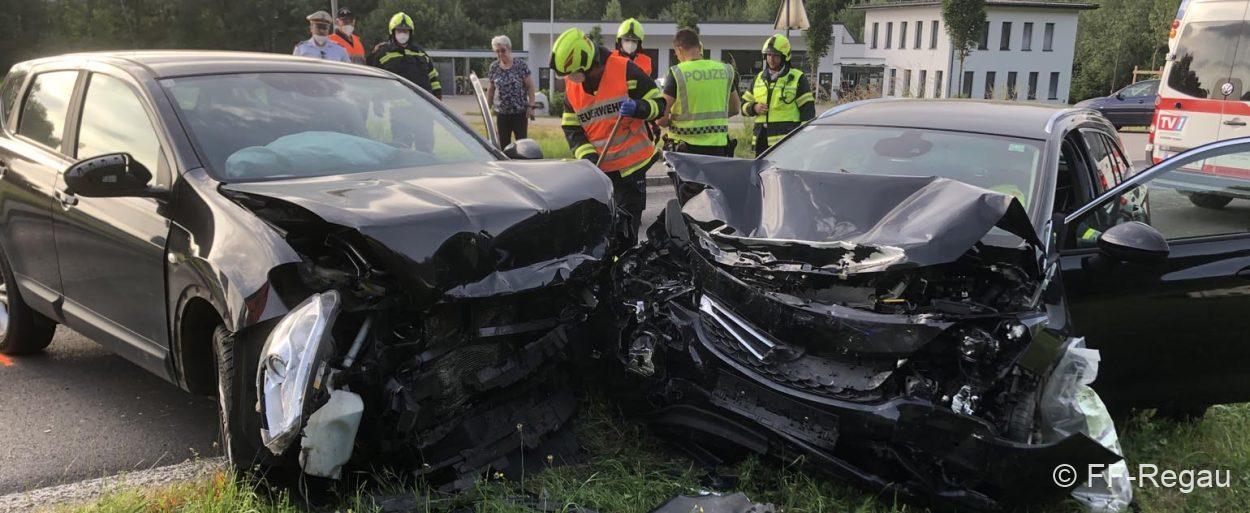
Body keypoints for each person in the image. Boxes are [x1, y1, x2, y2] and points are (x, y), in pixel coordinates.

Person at [552, 27, 666, 242]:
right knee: (601, 236)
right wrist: (588, 157)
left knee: (626, 236)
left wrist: (639, 107)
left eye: (575, 73)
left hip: (631, 172)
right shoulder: (572, 88)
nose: (572, 79)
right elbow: (571, 128)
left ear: (589, 63)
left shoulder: (625, 70)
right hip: (600, 174)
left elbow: (659, 105)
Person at [661, 28, 740, 157]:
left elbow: (661, 118)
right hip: (718, 148)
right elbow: (735, 109)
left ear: (679, 50)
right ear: (699, 47)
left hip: (684, 149)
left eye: (676, 53)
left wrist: (672, 121)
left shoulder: (678, 72)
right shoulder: (723, 70)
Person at [741, 34, 814, 156]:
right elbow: (743, 107)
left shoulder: (797, 78)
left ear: (785, 56)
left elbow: (808, 113)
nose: (771, 59)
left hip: (786, 144)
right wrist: (754, 107)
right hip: (761, 142)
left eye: (775, 55)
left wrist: (802, 140)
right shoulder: (758, 78)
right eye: (769, 55)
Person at [368, 12, 442, 99]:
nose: (402, 34)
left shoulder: (420, 53)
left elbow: (434, 79)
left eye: (405, 31)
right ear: (392, 32)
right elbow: (372, 81)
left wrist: (437, 99)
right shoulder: (382, 53)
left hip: (422, 104)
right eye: (399, 31)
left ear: (410, 33)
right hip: (394, 105)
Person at [486, 35, 536, 147]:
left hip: (520, 113)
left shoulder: (520, 65)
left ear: (509, 49)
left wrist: (531, 106)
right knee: (503, 145)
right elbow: (491, 89)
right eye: (497, 51)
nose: (500, 54)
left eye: (503, 50)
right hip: (502, 114)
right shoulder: (494, 67)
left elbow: (530, 87)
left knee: (522, 145)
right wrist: (487, 108)